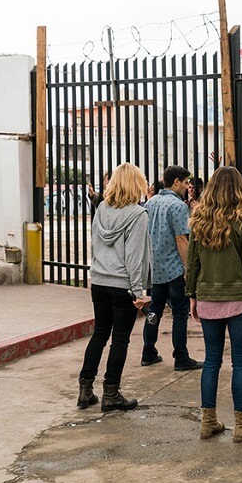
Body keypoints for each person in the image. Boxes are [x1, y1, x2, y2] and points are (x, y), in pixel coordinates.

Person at [186, 166, 242, 442]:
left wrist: (193, 295)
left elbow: (193, 263)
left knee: (211, 361)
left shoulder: (199, 219)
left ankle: (207, 421)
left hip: (209, 296)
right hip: (239, 300)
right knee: (240, 362)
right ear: (238, 189)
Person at [76, 163, 152, 412]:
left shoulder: (101, 209)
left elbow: (95, 246)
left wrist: (97, 271)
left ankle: (85, 390)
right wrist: (139, 291)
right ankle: (111, 393)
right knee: (120, 338)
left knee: (100, 333)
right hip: (123, 285)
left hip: (99, 280)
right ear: (136, 184)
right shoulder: (138, 215)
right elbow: (135, 257)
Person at [140, 165, 202, 371]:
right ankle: (181, 356)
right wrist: (188, 268)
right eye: (185, 182)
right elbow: (181, 238)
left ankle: (148, 350)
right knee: (180, 313)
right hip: (175, 268)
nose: (187, 186)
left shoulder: (152, 202)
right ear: (176, 181)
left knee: (154, 310)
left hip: (156, 267)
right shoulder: (178, 206)